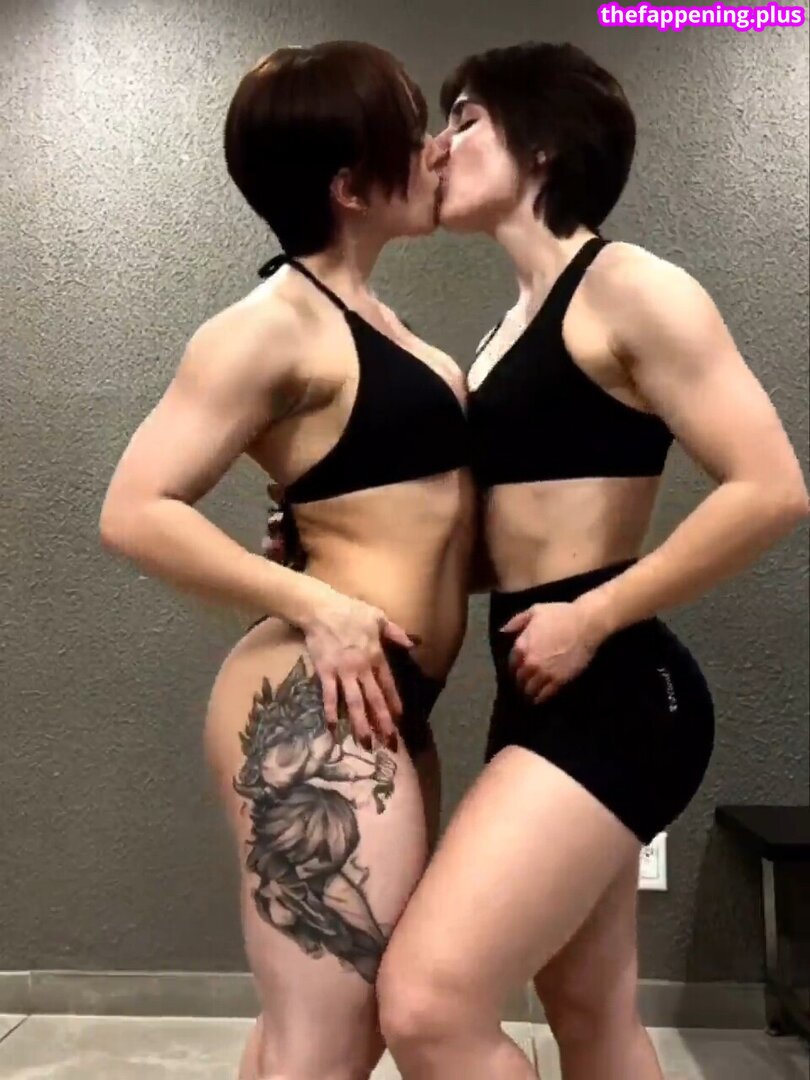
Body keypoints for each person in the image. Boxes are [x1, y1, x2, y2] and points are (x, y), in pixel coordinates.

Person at [376, 42, 810, 1080]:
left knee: (427, 1008)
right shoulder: (506, 330)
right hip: (538, 680)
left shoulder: (631, 286)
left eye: (465, 118)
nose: (438, 146)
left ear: (545, 145)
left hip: (619, 688)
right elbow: (516, 539)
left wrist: (594, 616)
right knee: (590, 1010)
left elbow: (771, 488)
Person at [99, 42, 473, 1080]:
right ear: (349, 186)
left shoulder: (379, 323)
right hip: (318, 702)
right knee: (329, 1045)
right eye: (413, 133)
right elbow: (134, 510)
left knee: (311, 1039)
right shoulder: (266, 329)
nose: (437, 151)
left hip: (388, 700)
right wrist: (315, 600)